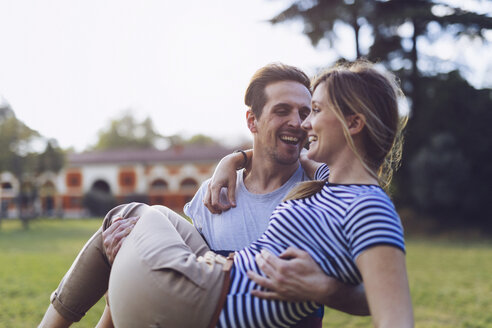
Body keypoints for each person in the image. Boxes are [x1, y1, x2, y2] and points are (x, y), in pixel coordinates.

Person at [41, 59, 414, 327]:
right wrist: (232, 160)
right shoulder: (327, 184)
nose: (305, 124)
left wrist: (323, 287)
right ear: (253, 120)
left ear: (353, 123)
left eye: (313, 110)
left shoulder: (368, 206)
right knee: (128, 219)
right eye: (296, 111)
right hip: (213, 284)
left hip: (211, 301)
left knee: (141, 215)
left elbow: (393, 314)